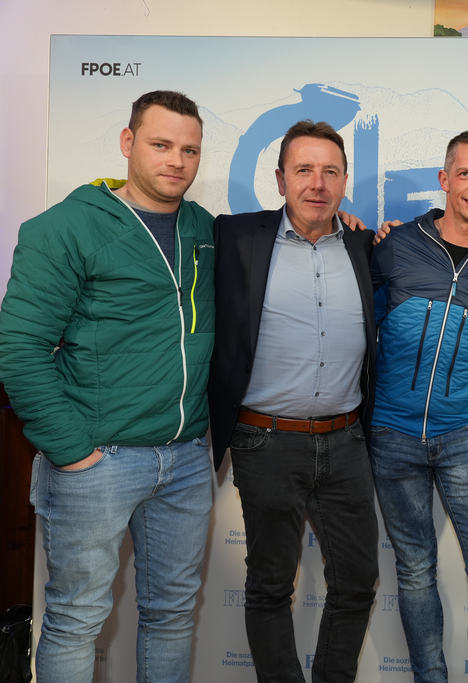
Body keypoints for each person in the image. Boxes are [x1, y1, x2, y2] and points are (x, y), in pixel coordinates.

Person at [0, 90, 214, 682]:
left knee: (172, 615)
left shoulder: (203, 228)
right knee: (76, 620)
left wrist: (350, 228)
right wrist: (73, 452)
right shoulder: (64, 228)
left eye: (190, 150)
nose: (176, 160)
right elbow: (19, 351)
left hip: (186, 459)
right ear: (127, 142)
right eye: (161, 144)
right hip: (99, 461)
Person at [206, 120, 378, 683]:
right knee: (270, 586)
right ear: (280, 180)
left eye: (330, 172)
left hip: (347, 443)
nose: (317, 184)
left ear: (345, 181)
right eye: (304, 170)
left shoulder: (363, 244)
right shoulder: (235, 236)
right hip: (265, 442)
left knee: (357, 582)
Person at [368, 130, 468, 683]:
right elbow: (357, 323)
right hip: (391, 436)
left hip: (466, 438)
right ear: (444, 179)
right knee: (415, 573)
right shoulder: (396, 245)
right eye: (466, 174)